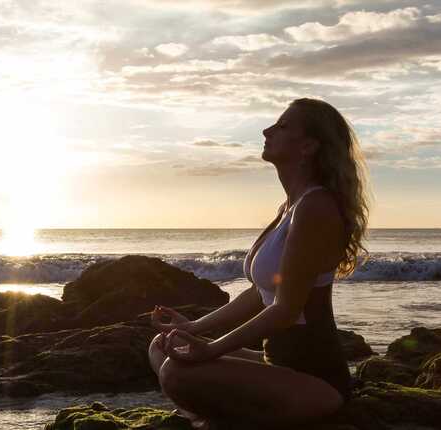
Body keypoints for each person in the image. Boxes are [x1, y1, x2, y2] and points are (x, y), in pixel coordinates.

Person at [148, 98, 370, 429]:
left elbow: (285, 309)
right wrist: (194, 328)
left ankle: (217, 419)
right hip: (276, 363)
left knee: (176, 373)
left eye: (281, 127)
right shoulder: (290, 206)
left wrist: (210, 350)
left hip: (315, 381)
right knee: (164, 347)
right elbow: (258, 294)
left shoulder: (315, 207)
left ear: (308, 146)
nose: (266, 131)